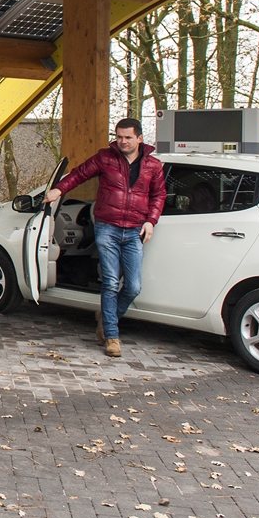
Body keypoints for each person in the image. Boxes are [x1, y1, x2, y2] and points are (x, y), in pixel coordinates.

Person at [43, 118, 166, 358]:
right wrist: (59, 189)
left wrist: (151, 221)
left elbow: (159, 195)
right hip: (107, 227)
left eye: (128, 137)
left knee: (133, 287)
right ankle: (112, 336)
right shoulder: (105, 158)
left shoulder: (153, 165)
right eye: (119, 137)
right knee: (110, 281)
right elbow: (79, 174)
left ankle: (106, 316)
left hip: (134, 230)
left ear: (139, 139)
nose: (122, 141)